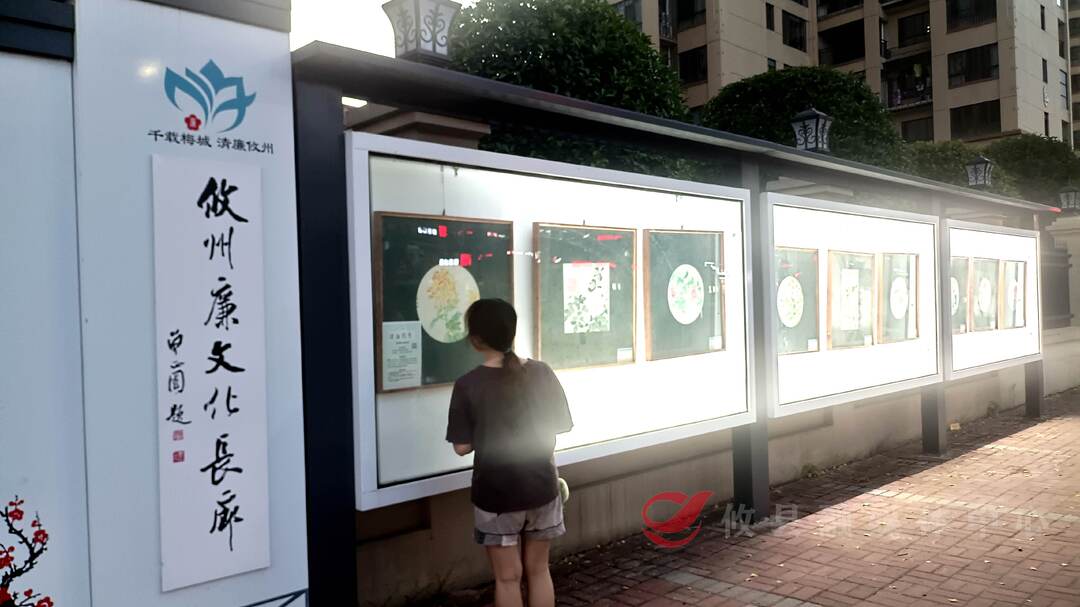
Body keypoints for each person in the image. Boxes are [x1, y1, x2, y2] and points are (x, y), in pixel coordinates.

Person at [446, 298, 574, 607]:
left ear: (475, 339)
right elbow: (560, 425)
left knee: (507, 578)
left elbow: (461, 447)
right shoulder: (541, 372)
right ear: (511, 332)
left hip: (496, 497)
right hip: (542, 487)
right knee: (539, 570)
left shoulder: (468, 385)